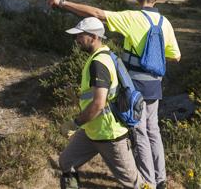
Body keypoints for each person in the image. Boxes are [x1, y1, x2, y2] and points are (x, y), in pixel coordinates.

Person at [43, 0, 181, 189]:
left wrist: (63, 2)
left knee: (140, 132)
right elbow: (175, 56)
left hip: (134, 88)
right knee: (154, 131)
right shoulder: (165, 23)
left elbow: (97, 13)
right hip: (155, 86)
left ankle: (148, 183)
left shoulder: (132, 18)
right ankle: (160, 178)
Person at [57, 17, 152, 189]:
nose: (76, 40)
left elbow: (99, 104)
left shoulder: (99, 63)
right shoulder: (104, 55)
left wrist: (74, 123)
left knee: (134, 184)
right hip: (92, 130)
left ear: (93, 37)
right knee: (66, 161)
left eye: (80, 36)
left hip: (110, 135)